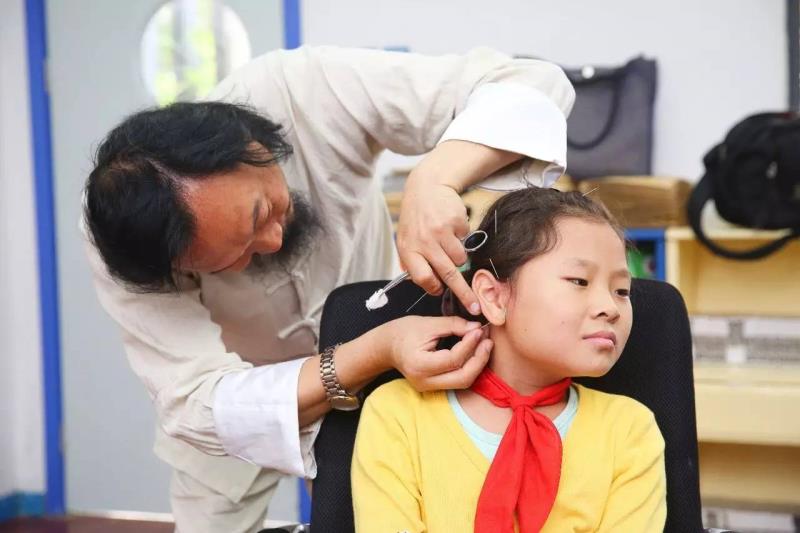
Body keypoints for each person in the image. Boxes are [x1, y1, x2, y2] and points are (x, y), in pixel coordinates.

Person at [82, 45, 574, 532]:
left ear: (255, 149)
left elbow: (534, 85)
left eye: (261, 213)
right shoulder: (128, 248)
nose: (272, 241)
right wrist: (371, 352)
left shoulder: (303, 91)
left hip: (394, 371)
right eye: (230, 261)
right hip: (241, 407)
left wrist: (434, 179)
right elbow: (196, 403)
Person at [352, 187, 667, 532]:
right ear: (494, 297)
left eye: (622, 291)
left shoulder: (629, 431)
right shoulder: (399, 415)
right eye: (579, 281)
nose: (610, 307)